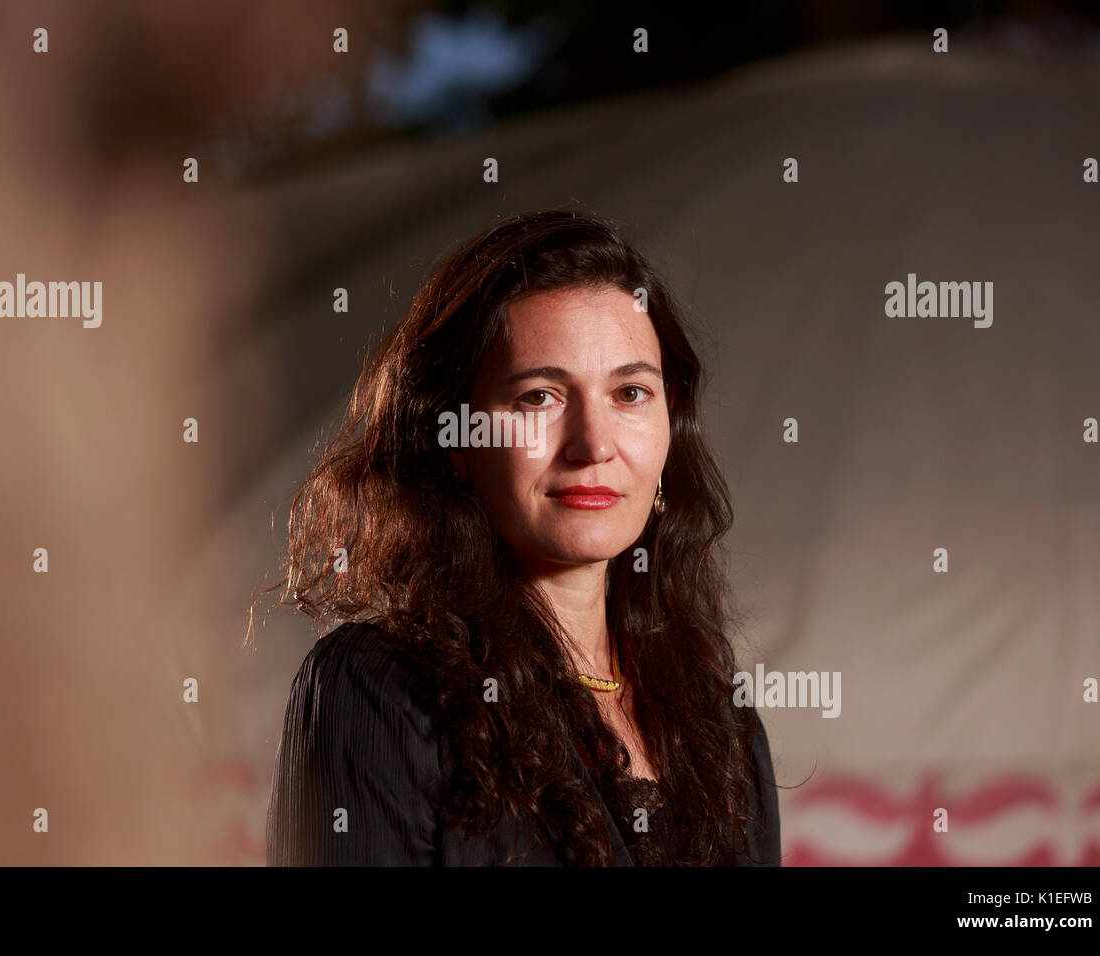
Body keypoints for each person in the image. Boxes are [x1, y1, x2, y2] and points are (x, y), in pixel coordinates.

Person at [250, 208, 782, 866]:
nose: (593, 445)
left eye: (631, 393)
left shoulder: (722, 726)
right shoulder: (376, 690)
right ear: (455, 443)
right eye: (538, 397)